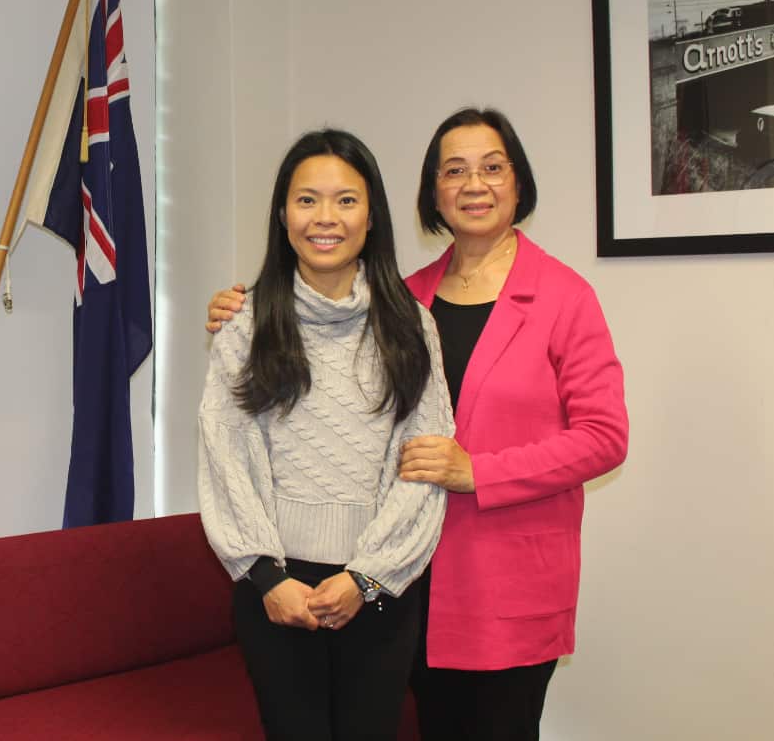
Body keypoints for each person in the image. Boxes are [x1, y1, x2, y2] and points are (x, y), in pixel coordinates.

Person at [206, 108, 629, 741]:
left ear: (518, 182)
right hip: (409, 583)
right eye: (454, 171)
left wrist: (478, 471)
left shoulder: (563, 296)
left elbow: (605, 436)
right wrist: (242, 310)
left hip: (499, 576)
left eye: (492, 167)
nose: (474, 184)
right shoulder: (408, 299)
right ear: (432, 192)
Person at [198, 129, 455, 741]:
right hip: (274, 589)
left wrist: (366, 577)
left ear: (372, 216)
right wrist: (268, 577)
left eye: (346, 200)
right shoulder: (245, 322)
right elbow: (225, 457)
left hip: (381, 587)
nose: (325, 218)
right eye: (306, 200)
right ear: (282, 214)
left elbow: (425, 464)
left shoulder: (410, 323)